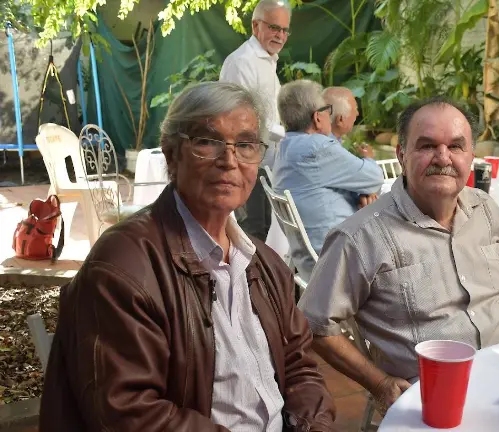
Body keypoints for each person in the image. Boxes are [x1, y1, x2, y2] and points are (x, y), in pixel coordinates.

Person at [39, 82, 335, 431]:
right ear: (171, 155)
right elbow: (129, 413)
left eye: (245, 144)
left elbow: (299, 365)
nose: (229, 160)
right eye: (207, 142)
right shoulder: (123, 267)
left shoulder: (264, 264)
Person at [298, 97, 499, 414]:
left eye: (456, 146)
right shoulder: (361, 237)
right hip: (432, 402)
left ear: (471, 156)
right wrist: (379, 383)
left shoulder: (486, 210)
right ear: (402, 154)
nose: (442, 158)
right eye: (427, 145)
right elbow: (313, 323)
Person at [272, 79, 383, 281]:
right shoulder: (317, 147)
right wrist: (369, 159)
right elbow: (374, 177)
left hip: (309, 258)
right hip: (338, 259)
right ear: (317, 117)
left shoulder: (285, 147)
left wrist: (362, 195)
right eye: (326, 109)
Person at [220, 0, 291, 242]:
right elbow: (246, 121)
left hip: (266, 163)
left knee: (262, 231)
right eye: (274, 28)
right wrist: (289, 136)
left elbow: (272, 113)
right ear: (255, 25)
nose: (280, 35)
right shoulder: (242, 62)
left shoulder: (268, 60)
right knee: (251, 234)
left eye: (284, 30)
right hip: (245, 162)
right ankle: (246, 281)